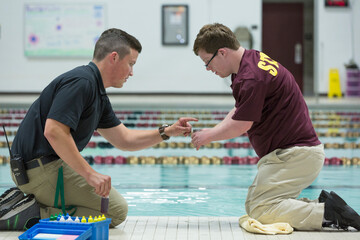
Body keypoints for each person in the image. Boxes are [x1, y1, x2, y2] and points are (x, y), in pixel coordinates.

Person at [0, 28, 197, 230]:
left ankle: (23, 202)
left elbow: (124, 140)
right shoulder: (82, 82)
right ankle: (31, 212)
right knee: (115, 211)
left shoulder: (95, 91)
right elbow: (54, 131)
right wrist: (89, 174)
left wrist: (166, 132)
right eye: (131, 64)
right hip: (40, 172)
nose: (132, 72)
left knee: (107, 207)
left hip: (40, 168)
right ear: (114, 57)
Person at [191, 23, 360, 231]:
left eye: (207, 62)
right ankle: (325, 206)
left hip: (295, 156)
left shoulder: (251, 76)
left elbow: (243, 124)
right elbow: (240, 109)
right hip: (292, 154)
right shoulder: (251, 61)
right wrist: (212, 130)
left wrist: (209, 137)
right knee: (256, 204)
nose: (208, 69)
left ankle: (326, 213)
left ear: (222, 52)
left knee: (260, 209)